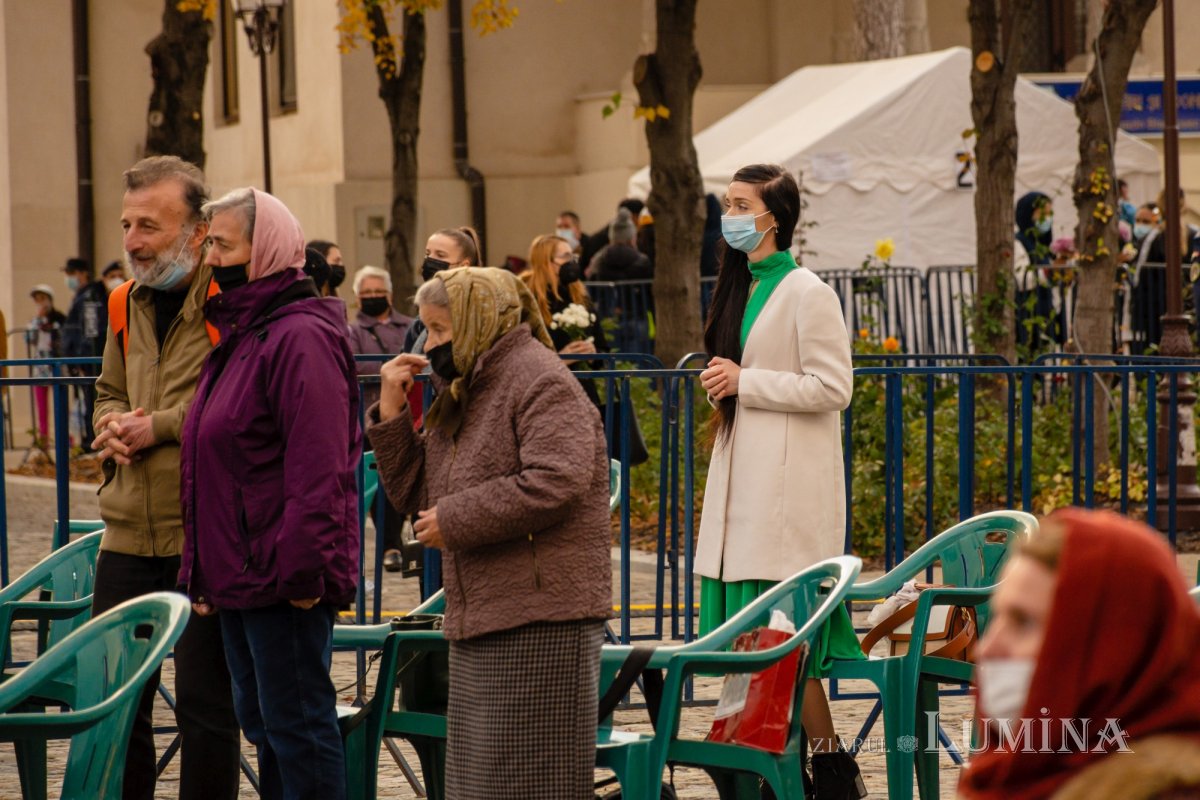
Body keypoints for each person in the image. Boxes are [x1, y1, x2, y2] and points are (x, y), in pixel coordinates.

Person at [370, 267, 611, 800]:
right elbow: (417, 494)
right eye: (426, 330)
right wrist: (391, 410)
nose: (427, 345)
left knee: (527, 784)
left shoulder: (539, 378)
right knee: (479, 785)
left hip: (544, 617)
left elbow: (558, 479)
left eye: (439, 329)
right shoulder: (466, 387)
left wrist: (455, 519)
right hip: (485, 613)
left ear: (479, 321)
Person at [179, 187, 360, 800]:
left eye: (224, 246)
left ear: (267, 252)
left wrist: (303, 571)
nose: (211, 259)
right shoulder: (245, 331)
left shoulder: (298, 336)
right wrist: (202, 572)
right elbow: (215, 461)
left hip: (284, 576)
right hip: (242, 573)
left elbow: (319, 466)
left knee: (298, 726)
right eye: (209, 244)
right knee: (266, 723)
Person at [695, 163, 865, 799]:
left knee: (783, 641)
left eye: (742, 205)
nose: (730, 215)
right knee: (754, 641)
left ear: (775, 217)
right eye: (728, 203)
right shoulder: (739, 288)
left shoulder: (808, 292)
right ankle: (781, 770)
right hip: (745, 492)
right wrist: (727, 382)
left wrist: (747, 381)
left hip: (785, 499)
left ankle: (823, 769)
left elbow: (834, 387)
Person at [91, 155, 240, 800]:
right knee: (119, 709)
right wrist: (110, 424)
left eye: (149, 226)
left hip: (199, 533)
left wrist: (160, 426)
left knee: (207, 711)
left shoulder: (230, 298)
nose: (132, 241)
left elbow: (240, 403)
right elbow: (107, 390)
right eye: (127, 225)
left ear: (197, 230)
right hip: (125, 535)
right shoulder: (124, 300)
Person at [958, 508, 1200, 799]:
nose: (986, 648)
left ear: (1113, 646)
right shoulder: (1010, 776)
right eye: (999, 617)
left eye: (1023, 622)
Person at [349, 264, 413, 572]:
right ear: (357, 297)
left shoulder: (410, 325)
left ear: (389, 294)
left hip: (410, 415)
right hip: (369, 418)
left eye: (378, 291)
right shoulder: (352, 331)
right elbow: (354, 366)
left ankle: (409, 544)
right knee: (381, 481)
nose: (373, 296)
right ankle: (390, 545)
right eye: (367, 292)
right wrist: (395, 367)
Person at [403, 226, 482, 355]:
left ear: (464, 265)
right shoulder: (419, 323)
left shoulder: (478, 317)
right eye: (428, 254)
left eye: (440, 255)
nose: (430, 260)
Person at [61, 257, 107, 450]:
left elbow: (90, 332)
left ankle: (92, 441)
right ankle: (88, 439)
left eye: (71, 273)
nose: (68, 278)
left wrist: (82, 358)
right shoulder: (82, 296)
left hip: (87, 361)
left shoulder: (89, 297)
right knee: (85, 402)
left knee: (91, 401)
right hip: (79, 360)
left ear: (82, 274)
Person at [1013, 191, 1057, 353]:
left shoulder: (1044, 247)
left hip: (1045, 310)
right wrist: (1048, 273)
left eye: (1049, 214)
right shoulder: (1018, 242)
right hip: (1027, 312)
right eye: (1042, 214)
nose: (1047, 219)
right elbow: (1022, 278)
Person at [27, 285, 65, 446]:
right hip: (40, 366)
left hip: (56, 364)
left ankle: (64, 438)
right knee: (42, 406)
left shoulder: (59, 319)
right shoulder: (34, 322)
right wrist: (38, 320)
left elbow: (64, 337)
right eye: (37, 300)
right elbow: (30, 339)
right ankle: (43, 439)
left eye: (43, 299)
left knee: (60, 405)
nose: (40, 303)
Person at [587, 207, 652, 281]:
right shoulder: (642, 261)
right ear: (631, 239)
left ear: (611, 238)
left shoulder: (599, 261)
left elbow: (590, 278)